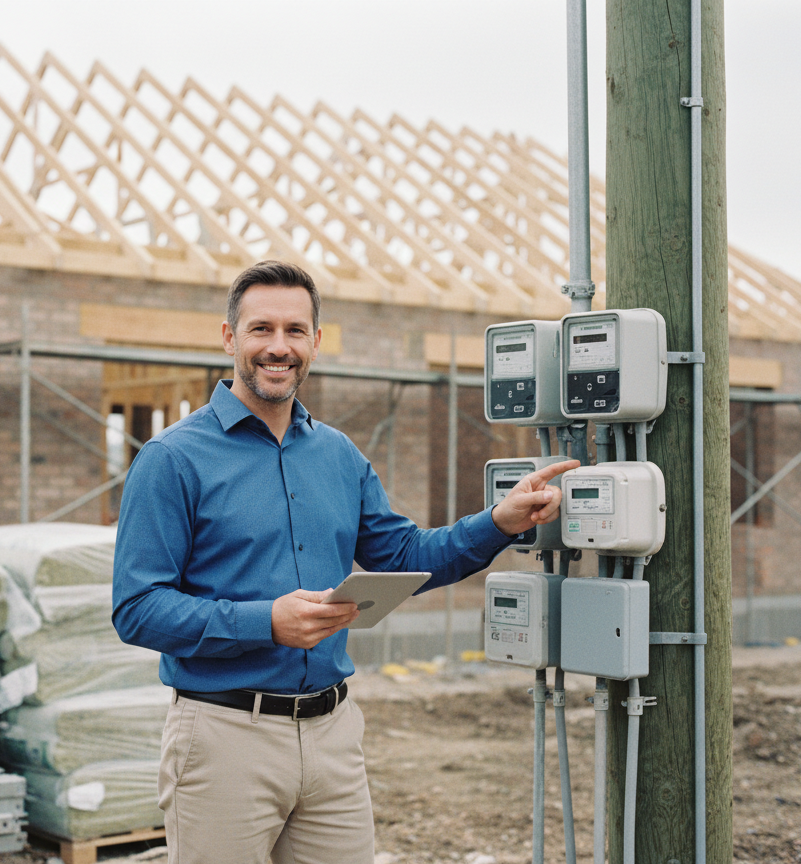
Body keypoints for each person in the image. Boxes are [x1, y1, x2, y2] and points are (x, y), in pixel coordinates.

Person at [112, 260, 577, 864]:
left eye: (294, 331)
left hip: (333, 735)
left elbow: (403, 556)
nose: (278, 347)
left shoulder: (338, 455)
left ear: (315, 341)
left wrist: (499, 522)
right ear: (229, 338)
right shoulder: (172, 459)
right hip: (224, 739)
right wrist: (265, 622)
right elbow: (137, 608)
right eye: (260, 329)